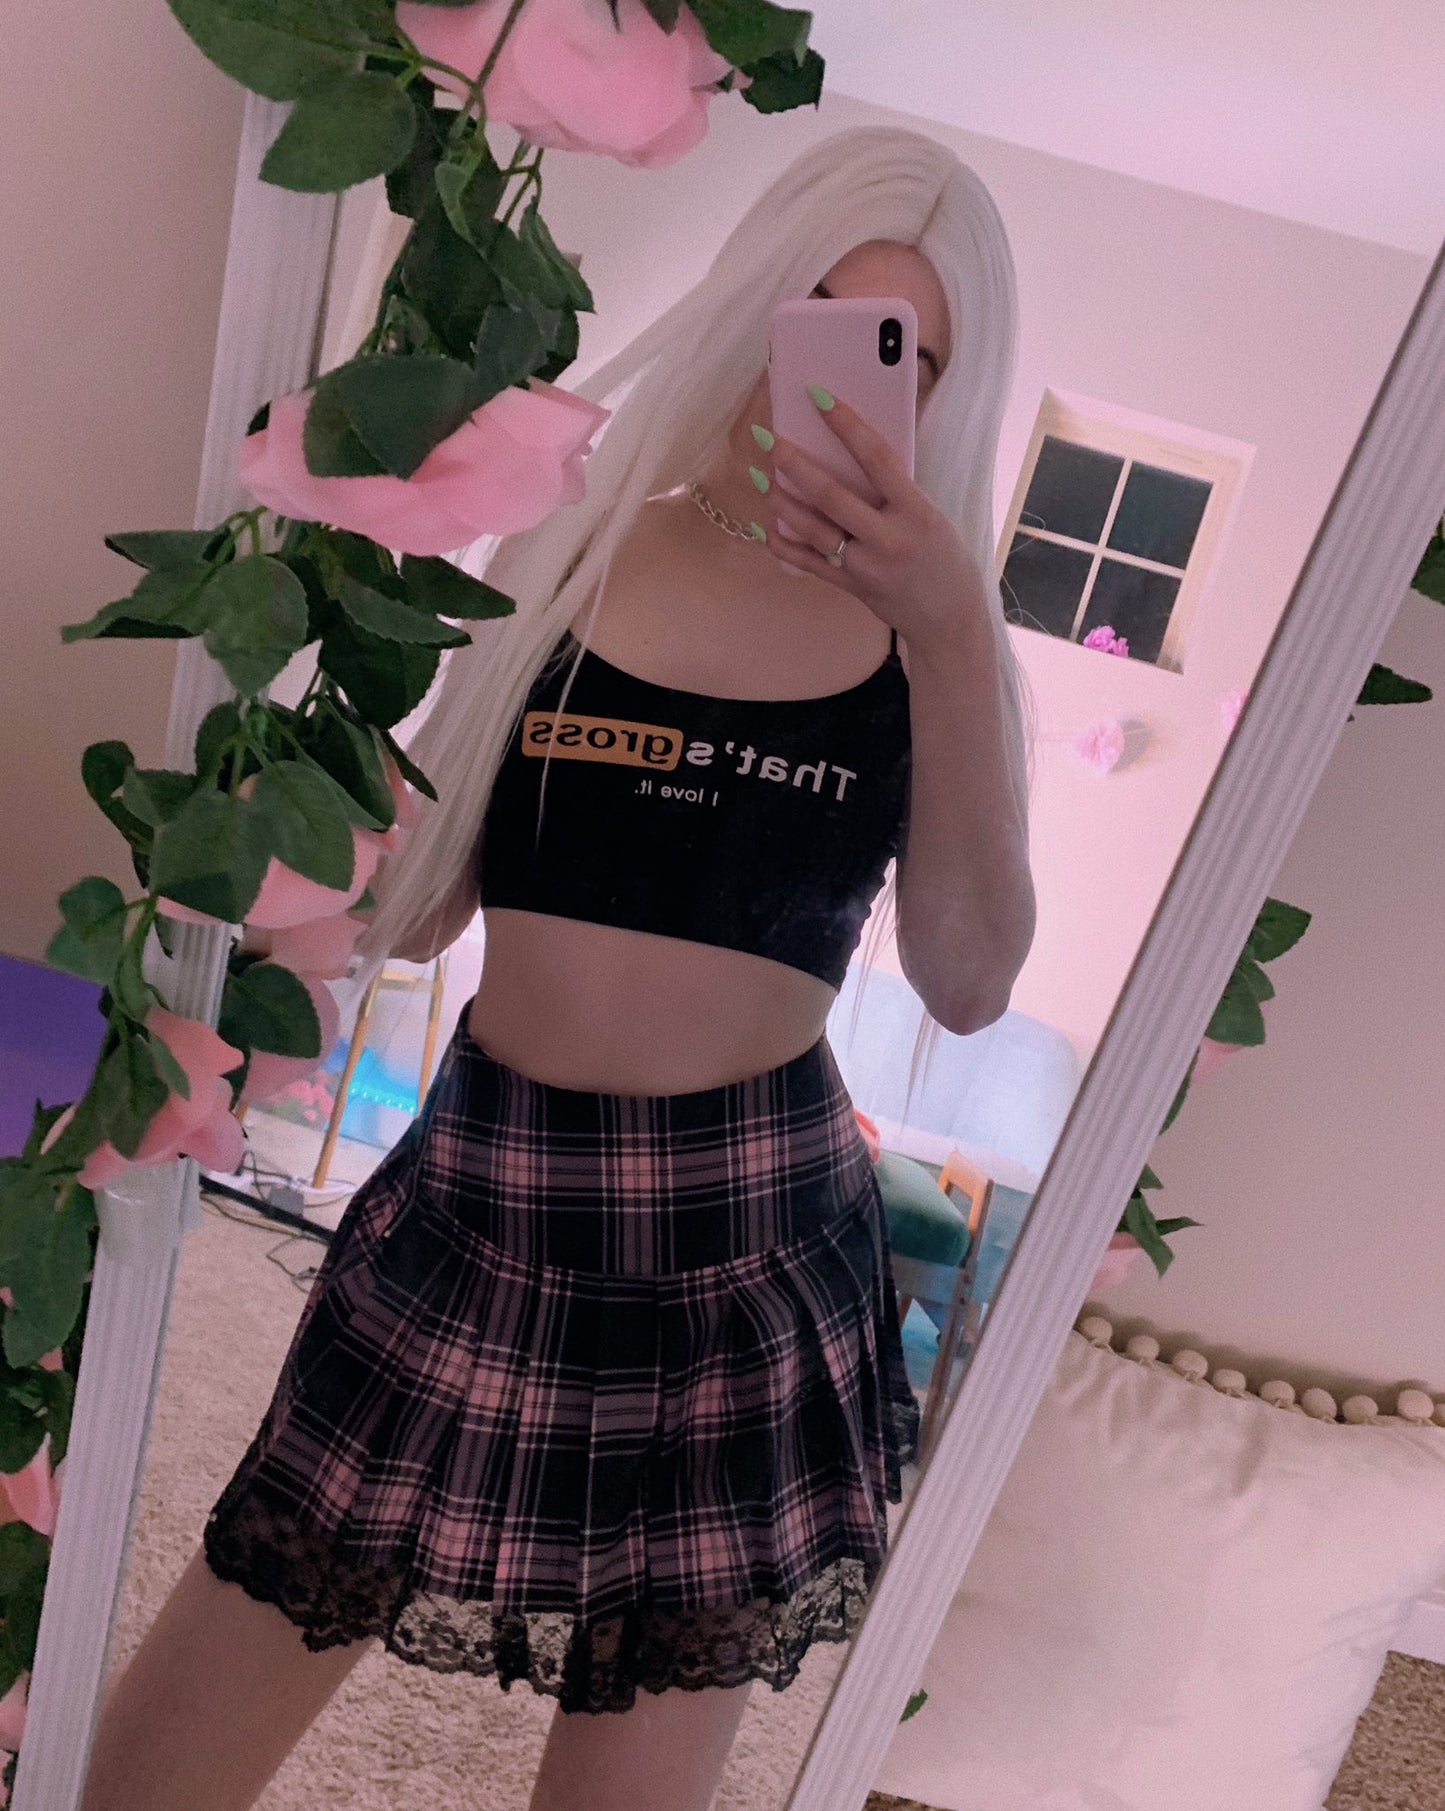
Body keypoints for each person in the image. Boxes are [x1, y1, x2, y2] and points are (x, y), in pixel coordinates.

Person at [80, 126, 1037, 1811]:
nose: (845, 381)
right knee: (156, 1764)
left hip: (745, 1258)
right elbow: (415, 908)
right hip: (480, 1209)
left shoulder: (936, 642)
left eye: (910, 356)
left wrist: (953, 629)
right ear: (756, 299)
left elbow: (965, 980)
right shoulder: (576, 546)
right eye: (820, 312)